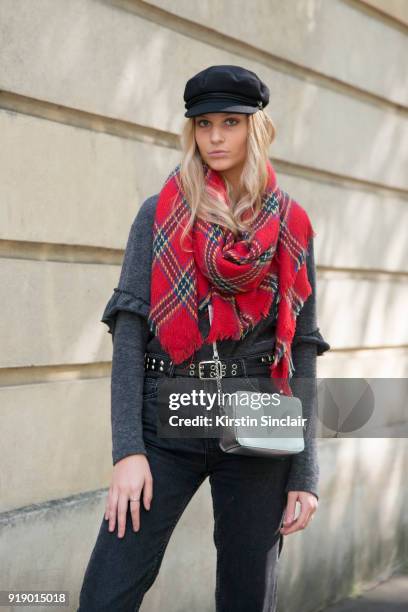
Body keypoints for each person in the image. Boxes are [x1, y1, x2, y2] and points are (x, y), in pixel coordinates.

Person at [77, 64, 330, 612]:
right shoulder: (159, 215)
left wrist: (306, 471)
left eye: (231, 122)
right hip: (168, 414)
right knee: (106, 592)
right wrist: (128, 452)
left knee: (246, 598)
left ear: (256, 129)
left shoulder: (292, 225)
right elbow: (128, 335)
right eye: (203, 123)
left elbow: (303, 346)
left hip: (259, 419)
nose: (215, 137)